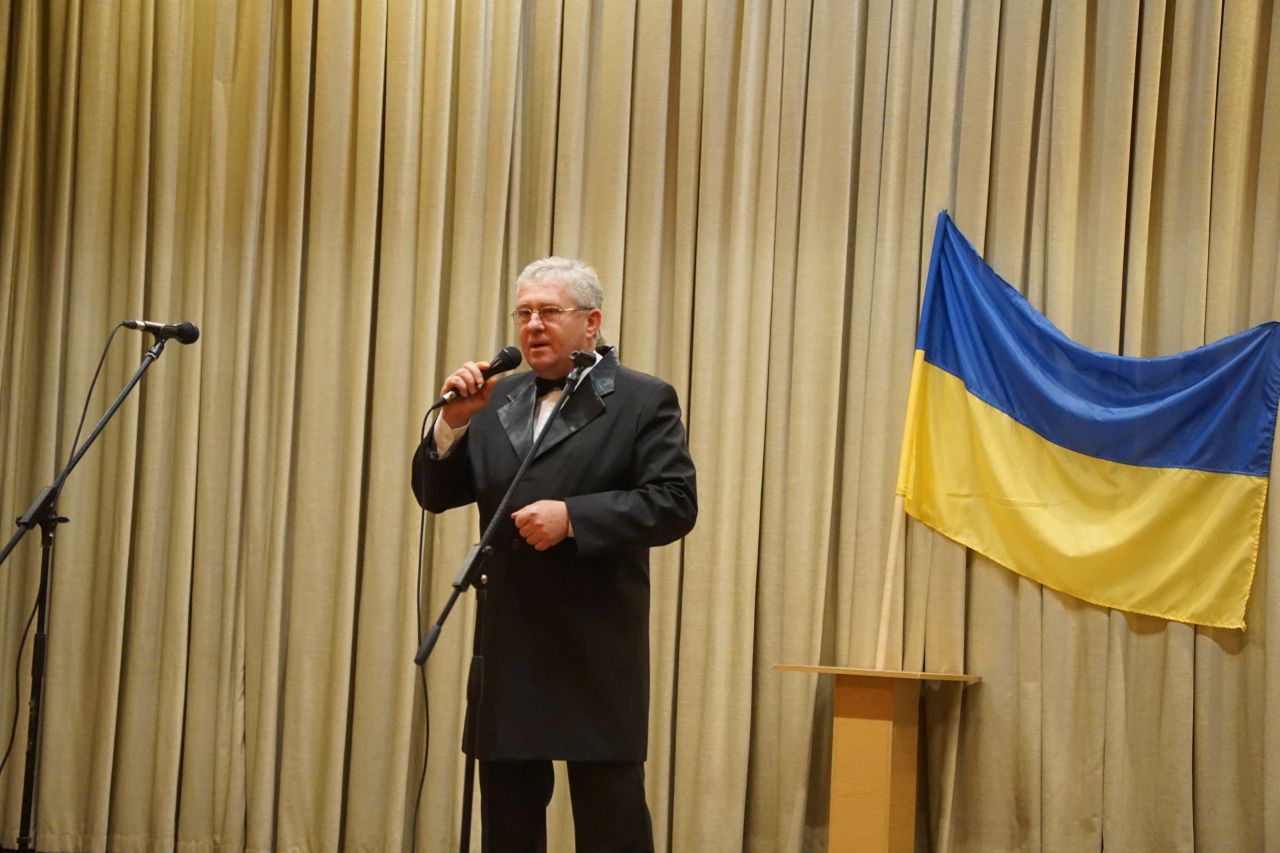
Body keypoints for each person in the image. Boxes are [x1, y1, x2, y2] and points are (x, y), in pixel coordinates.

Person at [412, 257, 698, 852]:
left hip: (595, 648)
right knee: (508, 825)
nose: (533, 325)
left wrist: (574, 518)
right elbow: (436, 495)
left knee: (611, 824)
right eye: (524, 313)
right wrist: (452, 426)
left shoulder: (642, 399)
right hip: (509, 645)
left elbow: (674, 503)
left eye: (549, 311)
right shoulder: (496, 398)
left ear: (591, 322)